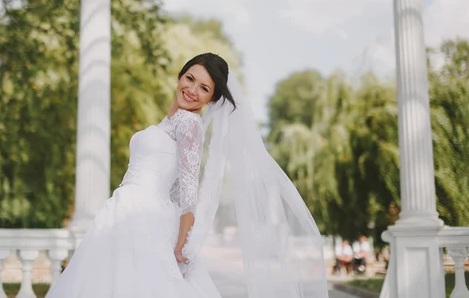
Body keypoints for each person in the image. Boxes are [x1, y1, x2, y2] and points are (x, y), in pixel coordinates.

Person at [46, 53, 328, 298]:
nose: (192, 89)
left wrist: (182, 246)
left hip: (142, 216)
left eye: (204, 88)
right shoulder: (171, 122)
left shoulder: (190, 125)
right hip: (126, 212)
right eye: (190, 78)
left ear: (211, 99)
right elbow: (174, 188)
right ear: (180, 75)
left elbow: (189, 193)